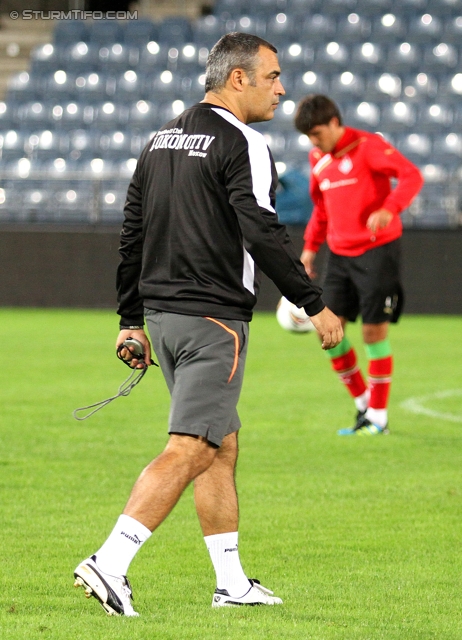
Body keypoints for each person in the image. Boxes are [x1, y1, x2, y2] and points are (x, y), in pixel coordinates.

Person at [73, 34, 343, 616]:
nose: (282, 87)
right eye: (272, 75)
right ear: (238, 78)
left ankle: (232, 582)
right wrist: (312, 302)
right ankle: (109, 562)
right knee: (193, 446)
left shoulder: (161, 138)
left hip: (165, 321)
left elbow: (132, 233)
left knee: (221, 444)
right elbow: (262, 232)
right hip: (213, 320)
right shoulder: (243, 141)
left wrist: (130, 320)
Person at [294, 94, 424, 436]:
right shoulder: (318, 158)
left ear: (335, 123)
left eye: (318, 133)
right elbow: (321, 209)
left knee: (372, 332)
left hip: (377, 251)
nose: (314, 142)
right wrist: (309, 249)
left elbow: (411, 176)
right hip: (338, 255)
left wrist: (389, 208)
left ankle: (378, 417)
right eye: (309, 137)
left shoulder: (369, 147)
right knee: (330, 332)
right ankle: (364, 404)